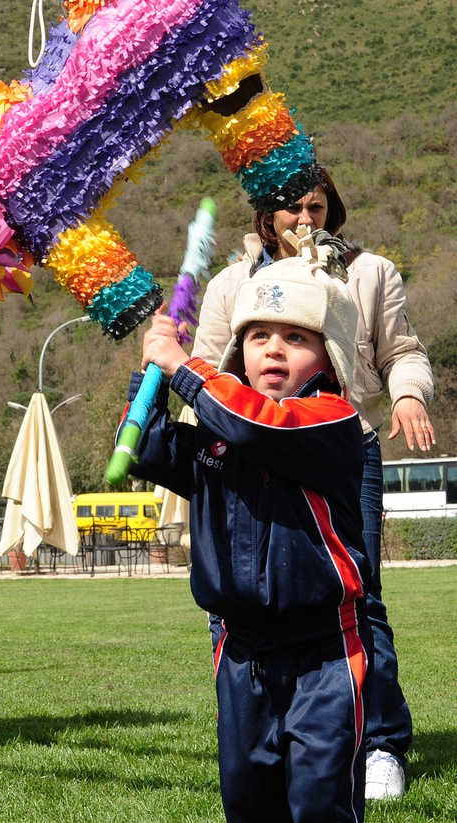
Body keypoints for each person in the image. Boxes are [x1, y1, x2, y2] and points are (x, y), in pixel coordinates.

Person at [192, 167, 433, 801]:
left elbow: (400, 348)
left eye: (317, 206)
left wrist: (407, 391)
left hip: (338, 449)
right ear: (265, 218)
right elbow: (208, 367)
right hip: (246, 456)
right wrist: (190, 443)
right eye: (293, 208)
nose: (306, 218)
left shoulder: (370, 272)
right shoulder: (227, 286)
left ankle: (378, 741)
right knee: (242, 596)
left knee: (357, 596)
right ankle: (260, 736)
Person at [132, 231, 371, 822]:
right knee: (247, 799)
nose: (274, 349)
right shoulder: (221, 430)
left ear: (330, 357)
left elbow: (257, 425)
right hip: (238, 650)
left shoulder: (330, 420)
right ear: (239, 353)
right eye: (259, 336)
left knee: (321, 801)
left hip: (324, 652)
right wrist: (150, 377)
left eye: (296, 337)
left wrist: (184, 368)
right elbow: (142, 448)